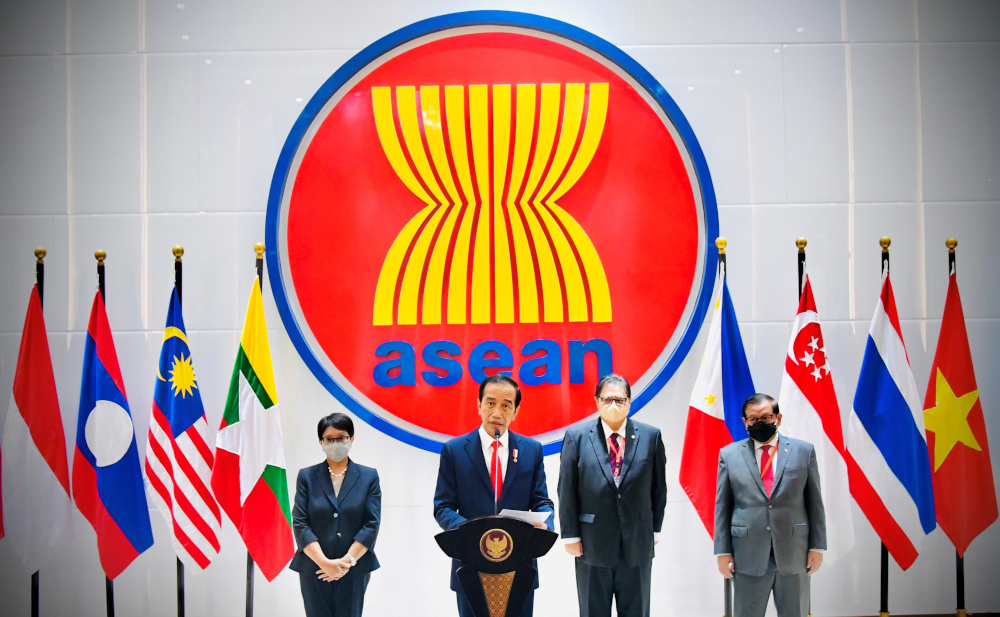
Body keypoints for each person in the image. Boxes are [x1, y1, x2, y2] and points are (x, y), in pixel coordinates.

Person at [433, 374, 555, 617]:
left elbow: (542, 501)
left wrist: (546, 522)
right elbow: (443, 506)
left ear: (516, 410)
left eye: (506, 405)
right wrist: (473, 530)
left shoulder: (531, 450)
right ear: (478, 405)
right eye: (490, 403)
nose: (497, 413)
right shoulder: (455, 450)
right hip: (470, 566)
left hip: (519, 567)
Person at [557, 374, 667, 617]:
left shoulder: (651, 436)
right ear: (597, 401)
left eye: (620, 399)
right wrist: (570, 535)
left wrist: (654, 530)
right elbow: (566, 490)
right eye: (607, 400)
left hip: (637, 542)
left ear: (629, 402)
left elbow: (659, 489)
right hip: (591, 544)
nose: (614, 405)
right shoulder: (577, 437)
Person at [714, 393, 826, 617]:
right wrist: (723, 551)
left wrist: (817, 546)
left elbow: (815, 502)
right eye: (753, 419)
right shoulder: (729, 455)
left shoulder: (803, 451)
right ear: (745, 422)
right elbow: (723, 506)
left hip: (795, 553)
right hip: (747, 554)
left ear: (778, 418)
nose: (760, 422)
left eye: (766, 417)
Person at [291, 412, 381, 617]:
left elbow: (371, 524)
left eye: (341, 437)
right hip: (314, 568)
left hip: (353, 568)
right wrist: (324, 563)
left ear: (352, 439)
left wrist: (345, 563)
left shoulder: (368, 476)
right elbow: (300, 522)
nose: (335, 442)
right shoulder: (307, 476)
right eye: (329, 439)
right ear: (320, 442)